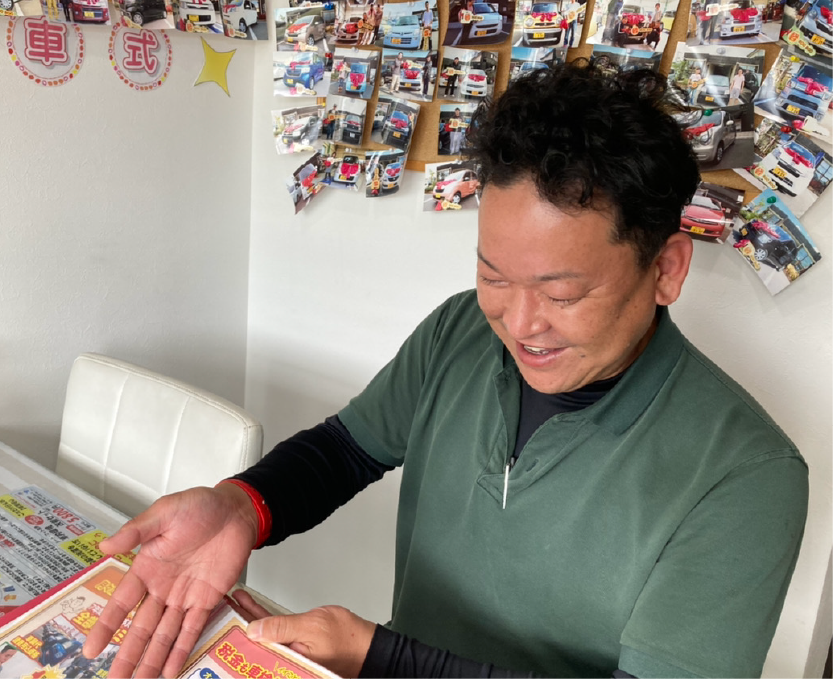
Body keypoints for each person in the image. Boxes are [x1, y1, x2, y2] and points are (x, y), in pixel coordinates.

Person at [82, 62, 808, 679]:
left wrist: (380, 658)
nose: (519, 324)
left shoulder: (745, 474)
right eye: (493, 275)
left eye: (561, 294)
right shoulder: (462, 330)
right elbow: (346, 449)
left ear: (667, 269)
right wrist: (241, 506)